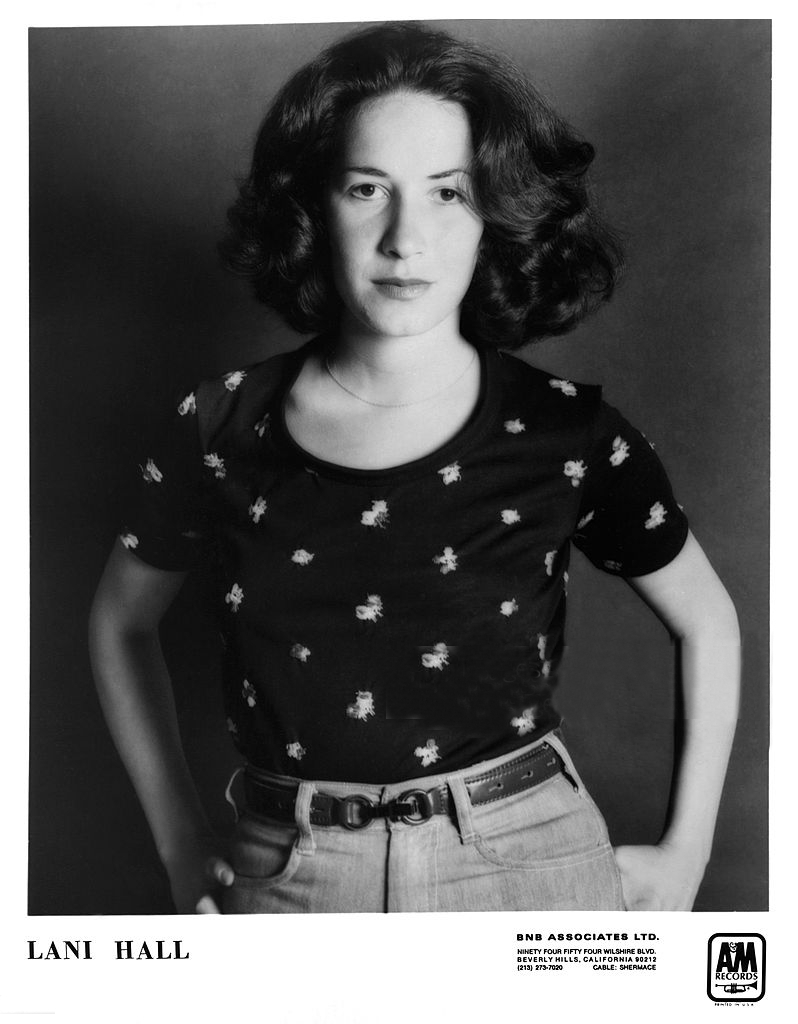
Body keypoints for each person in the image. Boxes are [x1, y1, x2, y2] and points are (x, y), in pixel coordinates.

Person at [88, 21, 740, 914]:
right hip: (286, 881)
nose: (406, 237)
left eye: (449, 193)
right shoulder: (219, 426)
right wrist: (178, 839)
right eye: (367, 189)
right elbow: (120, 622)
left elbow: (708, 620)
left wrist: (687, 852)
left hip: (530, 871)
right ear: (313, 207)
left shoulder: (568, 432)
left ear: (495, 215)